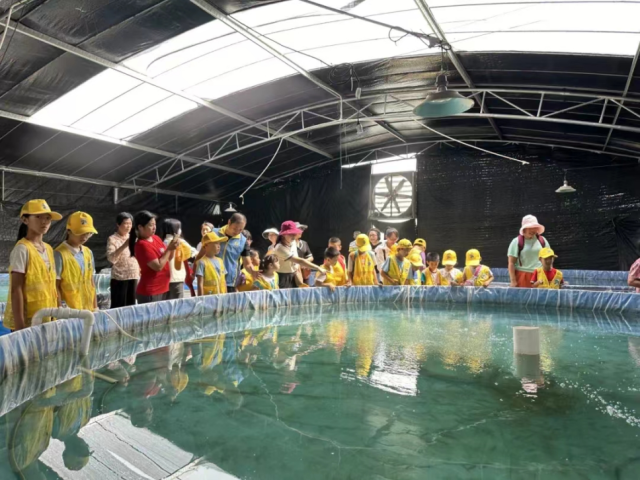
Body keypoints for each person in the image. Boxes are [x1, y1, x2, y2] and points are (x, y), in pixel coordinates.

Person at [6, 199, 61, 331]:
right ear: (25, 220)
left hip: (47, 316)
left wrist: (57, 313)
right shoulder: (22, 249)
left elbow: (52, 285)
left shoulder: (48, 249)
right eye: (38, 217)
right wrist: (20, 327)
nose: (44, 222)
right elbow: (16, 289)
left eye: (47, 218)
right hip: (29, 321)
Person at [130, 211, 179, 304]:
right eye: (151, 225)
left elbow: (168, 258)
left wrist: (173, 247)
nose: (154, 227)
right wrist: (169, 248)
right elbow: (158, 266)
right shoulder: (142, 245)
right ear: (140, 227)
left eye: (155, 224)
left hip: (163, 287)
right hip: (151, 291)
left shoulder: (156, 238)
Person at [55, 211, 98, 311]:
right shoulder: (59, 254)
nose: (84, 236)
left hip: (88, 310)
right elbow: (55, 287)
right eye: (80, 232)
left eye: (88, 233)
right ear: (68, 231)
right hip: (69, 313)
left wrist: (95, 307)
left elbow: (91, 282)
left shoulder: (88, 253)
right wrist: (60, 309)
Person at [212, 213, 258, 292]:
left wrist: (253, 271)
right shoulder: (214, 233)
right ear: (229, 222)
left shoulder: (243, 241)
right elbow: (203, 253)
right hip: (211, 279)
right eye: (235, 228)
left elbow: (247, 264)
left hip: (229, 282)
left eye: (240, 229)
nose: (237, 231)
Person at [274, 221, 325, 289]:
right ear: (283, 234)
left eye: (294, 234)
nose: (293, 236)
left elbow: (298, 261)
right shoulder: (279, 247)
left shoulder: (293, 242)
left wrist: (298, 272)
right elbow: (300, 261)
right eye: (290, 234)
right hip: (283, 277)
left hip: (295, 275)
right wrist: (318, 268)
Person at [106, 212, 139, 308]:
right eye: (125, 223)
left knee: (131, 305)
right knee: (119, 306)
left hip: (134, 275)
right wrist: (125, 245)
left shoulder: (134, 238)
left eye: (130, 223)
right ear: (118, 224)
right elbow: (111, 259)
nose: (128, 226)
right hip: (119, 277)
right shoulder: (112, 239)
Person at [508, 215, 550, 288]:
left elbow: (549, 259)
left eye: (535, 227)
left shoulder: (542, 240)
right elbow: (511, 263)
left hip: (540, 275)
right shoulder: (516, 241)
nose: (533, 230)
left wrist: (551, 275)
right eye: (530, 228)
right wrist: (513, 280)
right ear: (524, 229)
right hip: (522, 276)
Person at [162, 218, 196, 300]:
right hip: (177, 278)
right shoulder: (180, 242)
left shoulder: (162, 242)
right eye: (179, 228)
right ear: (176, 229)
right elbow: (194, 252)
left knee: (166, 302)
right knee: (178, 303)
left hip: (164, 279)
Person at [196, 232, 228, 296]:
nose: (219, 246)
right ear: (206, 245)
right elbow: (200, 283)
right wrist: (201, 299)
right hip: (209, 298)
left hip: (222, 297)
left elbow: (224, 281)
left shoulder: (220, 261)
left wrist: (226, 295)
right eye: (216, 243)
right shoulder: (202, 262)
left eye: (219, 243)